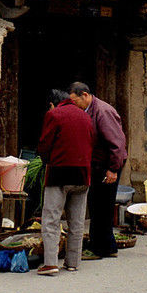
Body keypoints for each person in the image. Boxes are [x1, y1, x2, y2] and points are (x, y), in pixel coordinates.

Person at [35, 89, 94, 275]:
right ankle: (73, 262)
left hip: (59, 173)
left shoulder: (54, 114)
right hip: (83, 175)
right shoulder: (86, 117)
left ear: (53, 104)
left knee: (51, 219)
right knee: (77, 222)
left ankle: (51, 263)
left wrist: (44, 161)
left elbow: (45, 143)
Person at [68, 82, 127, 260]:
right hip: (97, 165)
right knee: (97, 206)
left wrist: (113, 169)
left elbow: (117, 143)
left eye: (75, 100)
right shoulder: (89, 111)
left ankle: (100, 248)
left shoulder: (103, 111)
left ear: (85, 95)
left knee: (102, 206)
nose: (73, 105)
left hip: (107, 166)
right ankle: (106, 245)